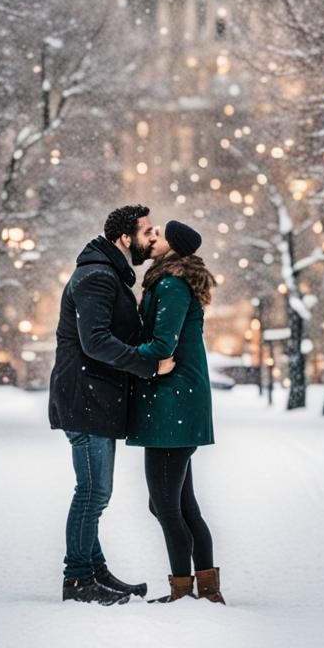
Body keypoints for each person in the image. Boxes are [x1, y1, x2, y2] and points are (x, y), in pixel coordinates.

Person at [48, 205, 176, 605]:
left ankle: (95, 572)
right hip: (84, 398)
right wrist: (150, 366)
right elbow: (95, 342)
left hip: (94, 398)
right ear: (126, 238)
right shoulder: (97, 277)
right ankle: (77, 580)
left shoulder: (107, 274)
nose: (151, 238)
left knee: (94, 491)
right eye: (146, 232)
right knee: (92, 492)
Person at [126, 220, 225, 604]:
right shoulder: (171, 281)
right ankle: (207, 590)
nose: (152, 240)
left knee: (165, 505)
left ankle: (184, 591)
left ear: (174, 247)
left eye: (159, 235)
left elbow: (163, 342)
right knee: (181, 505)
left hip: (173, 403)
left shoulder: (170, 284)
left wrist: (125, 359)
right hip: (177, 402)